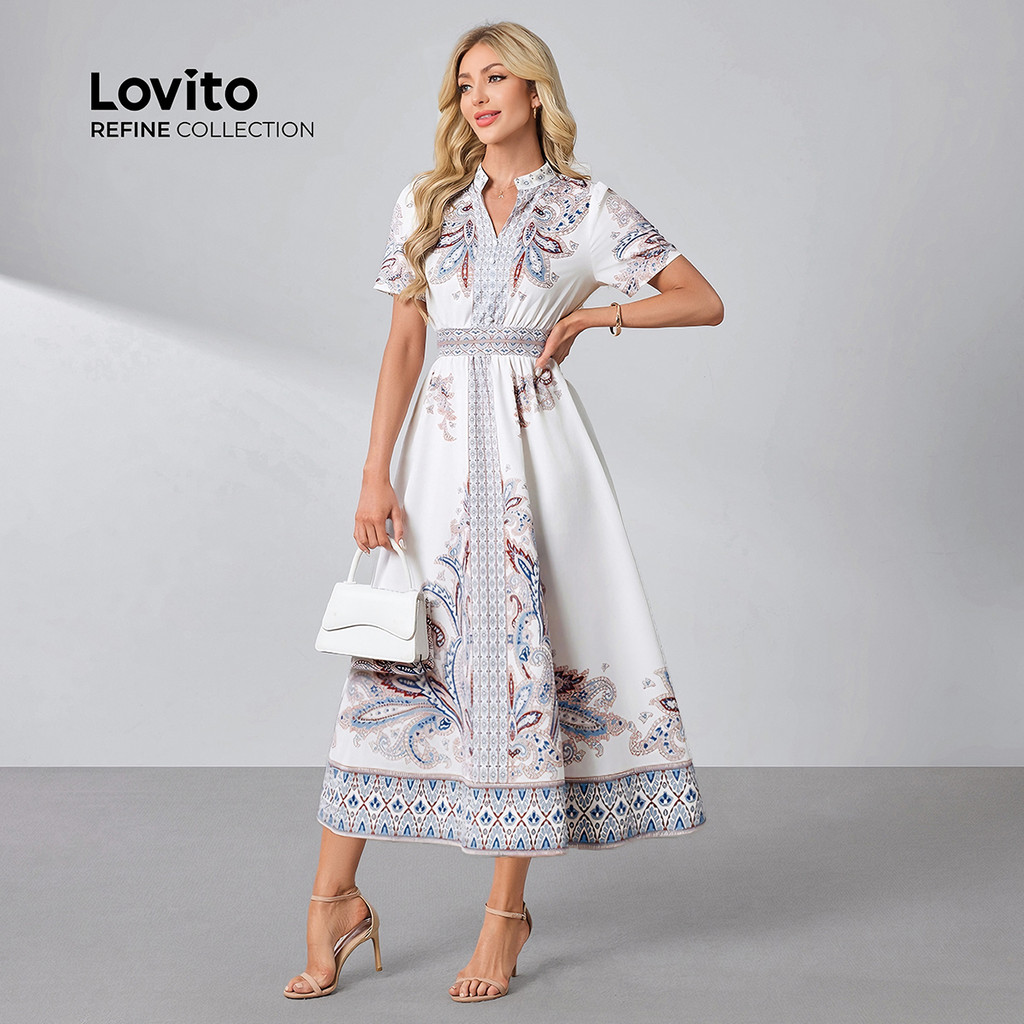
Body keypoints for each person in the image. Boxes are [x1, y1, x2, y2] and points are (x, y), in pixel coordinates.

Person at [284, 19, 724, 1004]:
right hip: (437, 461)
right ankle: (333, 900)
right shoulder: (426, 202)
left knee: (523, 665)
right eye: (464, 82)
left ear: (534, 91)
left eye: (495, 77)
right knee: (395, 667)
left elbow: (701, 299)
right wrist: (374, 473)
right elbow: (405, 341)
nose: (477, 96)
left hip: (537, 462)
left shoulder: (586, 208)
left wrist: (595, 314)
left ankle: (504, 915)